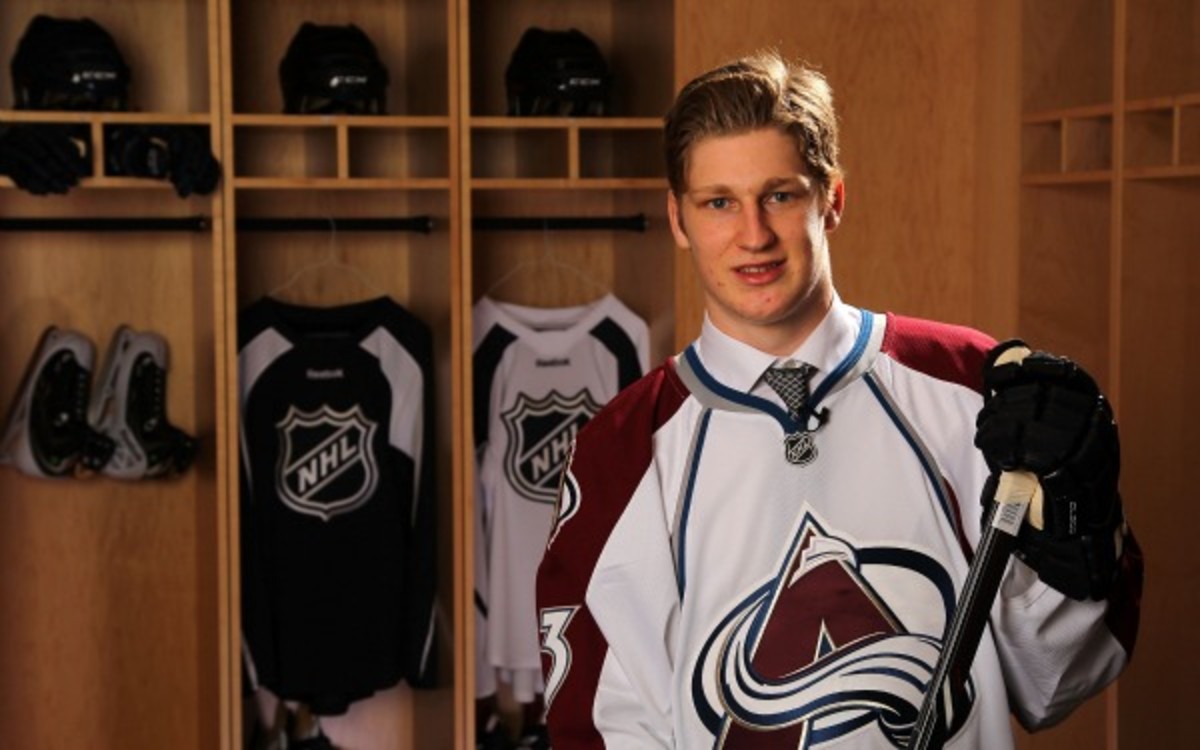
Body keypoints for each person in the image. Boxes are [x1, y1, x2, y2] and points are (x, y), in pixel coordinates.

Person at [535, 51, 1143, 748]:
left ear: (833, 198)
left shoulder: (976, 385)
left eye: (781, 195)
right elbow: (601, 727)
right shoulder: (622, 448)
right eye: (719, 203)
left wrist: (1081, 531)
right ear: (678, 218)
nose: (753, 234)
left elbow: (1054, 684)